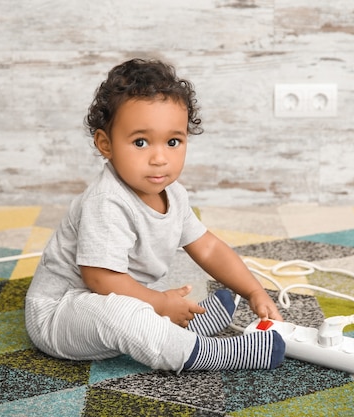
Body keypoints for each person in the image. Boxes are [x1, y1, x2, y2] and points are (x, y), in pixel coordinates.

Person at [24, 58, 285, 372]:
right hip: (60, 314)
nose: (160, 158)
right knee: (124, 314)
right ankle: (210, 352)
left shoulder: (174, 194)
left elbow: (208, 247)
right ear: (106, 144)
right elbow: (99, 279)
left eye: (173, 142)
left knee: (132, 310)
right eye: (140, 142)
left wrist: (254, 290)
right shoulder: (107, 201)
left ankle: (178, 328)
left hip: (111, 300)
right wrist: (160, 304)